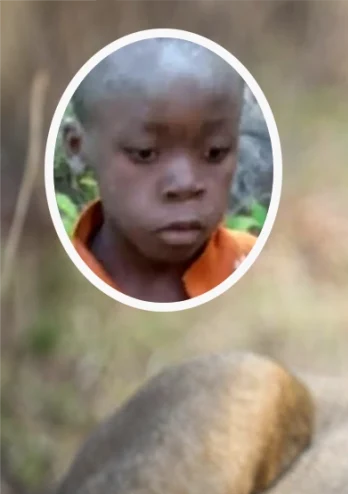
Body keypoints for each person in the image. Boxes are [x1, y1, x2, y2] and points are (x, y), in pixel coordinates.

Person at [62, 37, 257, 303]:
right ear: (76, 147)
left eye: (214, 152)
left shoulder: (260, 268)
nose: (185, 184)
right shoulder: (49, 290)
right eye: (145, 153)